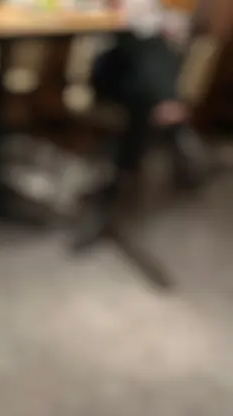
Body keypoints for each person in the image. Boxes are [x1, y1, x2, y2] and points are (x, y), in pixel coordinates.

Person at [75, 0, 232, 248]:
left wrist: (164, 23)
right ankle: (175, 126)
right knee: (142, 41)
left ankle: (111, 194)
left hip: (136, 80)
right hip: (107, 68)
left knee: (141, 96)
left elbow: (171, 22)